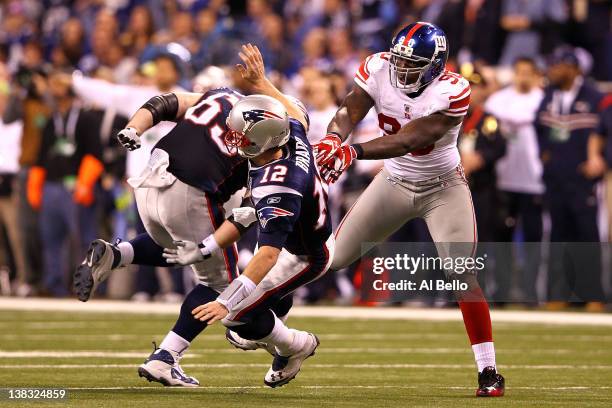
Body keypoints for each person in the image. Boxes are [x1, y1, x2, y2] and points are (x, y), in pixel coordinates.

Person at [74, 44, 308, 387]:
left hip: (151, 177)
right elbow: (244, 219)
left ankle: (119, 253)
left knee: (178, 245)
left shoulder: (221, 97)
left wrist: (134, 129)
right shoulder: (271, 146)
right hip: (190, 191)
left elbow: (165, 102)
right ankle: (166, 358)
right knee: (221, 286)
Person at [313, 22, 505, 397]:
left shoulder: (453, 90)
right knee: (331, 258)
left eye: (412, 64)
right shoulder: (378, 67)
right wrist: (334, 138)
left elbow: (412, 138)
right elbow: (350, 109)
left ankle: (489, 371)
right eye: (399, 61)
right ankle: (273, 330)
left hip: (443, 187)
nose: (401, 70)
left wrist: (354, 151)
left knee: (461, 275)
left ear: (435, 66)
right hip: (394, 183)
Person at [167, 93, 331, 388]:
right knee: (258, 309)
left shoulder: (278, 186)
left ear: (264, 139)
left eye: (240, 135)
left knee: (235, 317)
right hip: (285, 238)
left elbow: (269, 254)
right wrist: (204, 248)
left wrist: (225, 302)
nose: (232, 138)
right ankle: (279, 339)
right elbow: (245, 216)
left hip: (302, 254)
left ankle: (296, 345)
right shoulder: (286, 138)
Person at [536, 46, 607, 311]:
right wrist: (544, 154)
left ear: (574, 68)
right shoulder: (549, 95)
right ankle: (559, 292)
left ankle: (592, 295)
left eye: (558, 65)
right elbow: (538, 126)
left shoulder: (594, 96)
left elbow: (607, 132)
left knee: (586, 236)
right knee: (558, 236)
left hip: (582, 178)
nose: (553, 70)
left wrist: (601, 160)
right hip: (555, 178)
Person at [28, 70, 104, 296]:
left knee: (85, 238)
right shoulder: (51, 120)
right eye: (53, 84)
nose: (55, 89)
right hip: (52, 186)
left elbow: (95, 153)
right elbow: (42, 155)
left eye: (60, 84)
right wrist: (36, 183)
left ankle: (91, 284)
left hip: (76, 186)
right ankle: (54, 285)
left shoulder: (86, 118)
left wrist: (86, 182)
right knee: (51, 239)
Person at [485, 57, 545, 304]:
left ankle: (531, 293)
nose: (523, 77)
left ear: (535, 75)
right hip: (504, 178)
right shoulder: (498, 101)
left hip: (534, 179)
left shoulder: (543, 99)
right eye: (519, 72)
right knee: (502, 240)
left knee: (533, 239)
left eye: (527, 72)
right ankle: (501, 291)